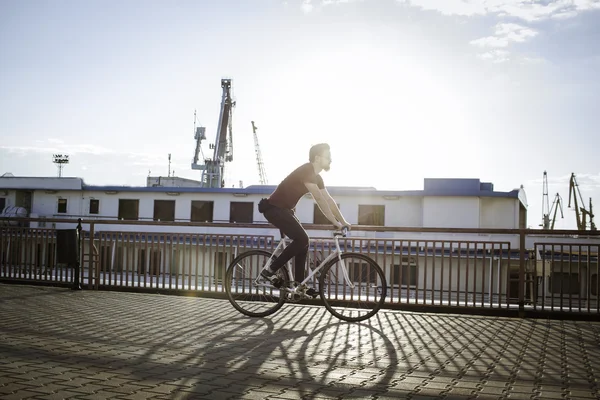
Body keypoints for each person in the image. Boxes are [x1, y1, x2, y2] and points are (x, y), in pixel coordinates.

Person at [257, 143, 351, 297]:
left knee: (304, 242)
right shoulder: (307, 171)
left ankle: (299, 285)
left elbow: (328, 199)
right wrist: (335, 223)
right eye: (328, 157)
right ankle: (269, 271)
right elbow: (320, 199)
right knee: (302, 239)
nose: (331, 160)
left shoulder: (317, 177)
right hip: (274, 209)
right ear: (317, 158)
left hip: (285, 210)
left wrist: (343, 221)